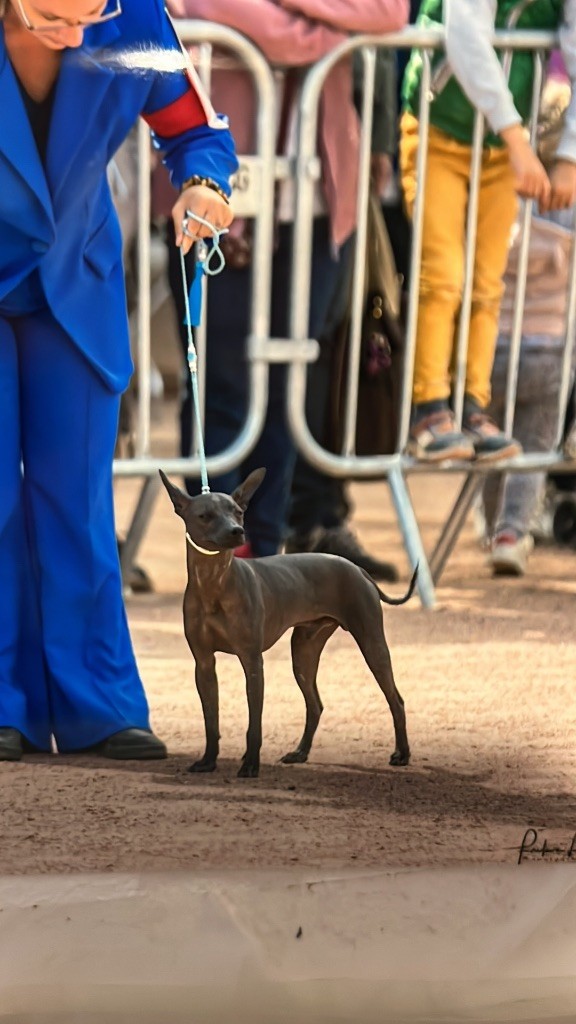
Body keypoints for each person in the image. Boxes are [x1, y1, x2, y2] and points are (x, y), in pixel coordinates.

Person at [0, 0, 237, 762]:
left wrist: (204, 187)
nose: (76, 35)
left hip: (76, 283)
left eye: (87, 13)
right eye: (50, 17)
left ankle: (101, 703)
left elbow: (196, 133)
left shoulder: (134, 16)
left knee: (77, 500)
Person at [163, 0, 408, 581]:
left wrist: (282, 19)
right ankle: (212, 563)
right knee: (222, 384)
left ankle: (264, 558)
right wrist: (321, 28)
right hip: (216, 192)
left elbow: (390, 11)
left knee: (286, 385)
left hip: (320, 196)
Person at [400, 0, 576, 462]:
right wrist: (519, 140)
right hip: (440, 128)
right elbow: (466, 33)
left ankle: (473, 406)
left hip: (503, 146)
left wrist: (570, 154)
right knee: (441, 275)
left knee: (487, 281)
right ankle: (429, 409)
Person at [482, 74, 576, 576]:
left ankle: (489, 520)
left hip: (489, 343)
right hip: (550, 345)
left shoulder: (499, 194)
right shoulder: (569, 200)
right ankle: (512, 529)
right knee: (534, 445)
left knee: (492, 439)